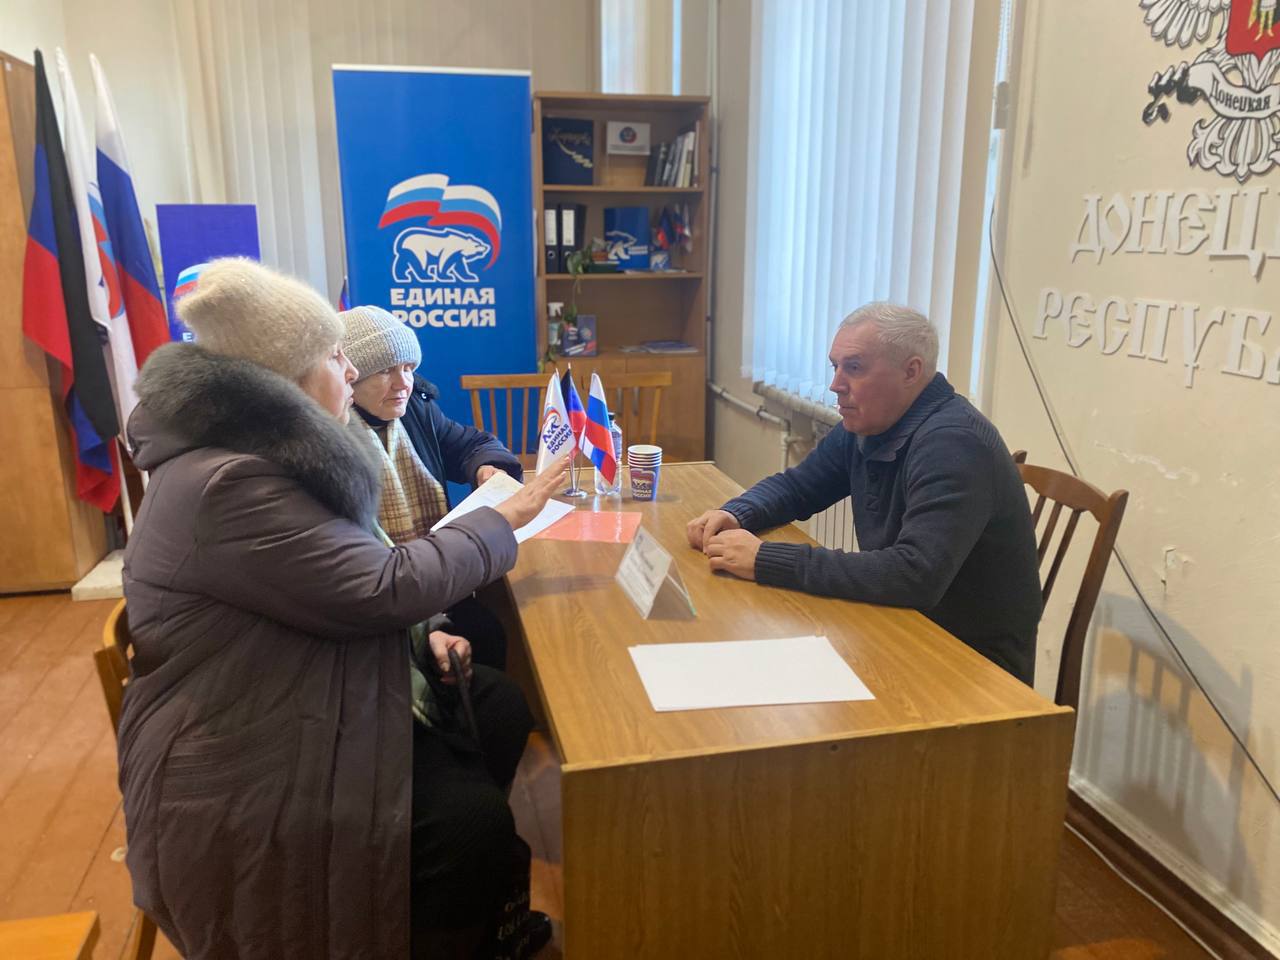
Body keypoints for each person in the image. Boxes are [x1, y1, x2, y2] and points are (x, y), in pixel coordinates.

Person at [119, 258, 566, 959]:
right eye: (335, 356)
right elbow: (381, 586)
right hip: (245, 736)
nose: (353, 372)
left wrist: (424, 634)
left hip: (292, 676)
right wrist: (505, 519)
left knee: (501, 706)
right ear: (283, 379)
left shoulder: (267, 454)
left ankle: (447, 906)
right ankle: (432, 909)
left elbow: (342, 572)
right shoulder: (233, 483)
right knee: (472, 822)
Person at [686, 302, 1042, 684]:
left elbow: (915, 574)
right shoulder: (870, 422)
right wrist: (737, 513)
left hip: (969, 665)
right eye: (835, 367)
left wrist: (765, 559)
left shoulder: (954, 443)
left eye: (854, 368)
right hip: (898, 624)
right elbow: (799, 486)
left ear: (911, 371)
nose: (836, 385)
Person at [341, 304, 522, 669]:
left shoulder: (415, 409)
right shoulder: (331, 439)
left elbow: (472, 444)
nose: (403, 383)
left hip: (439, 578)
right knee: (490, 636)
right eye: (385, 371)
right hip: (382, 602)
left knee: (496, 628)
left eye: (408, 368)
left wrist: (488, 467)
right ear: (349, 378)